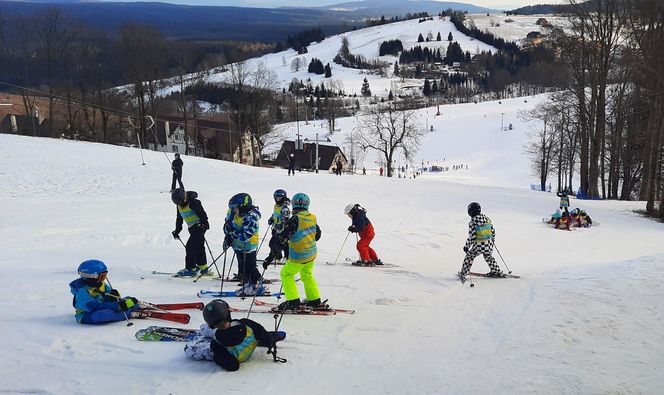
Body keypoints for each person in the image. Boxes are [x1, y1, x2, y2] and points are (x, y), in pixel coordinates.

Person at [184, 300, 286, 371]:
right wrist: (272, 338)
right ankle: (206, 329)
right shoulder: (248, 324)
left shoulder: (216, 344)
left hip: (219, 345)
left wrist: (216, 355)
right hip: (232, 337)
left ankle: (205, 330)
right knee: (219, 332)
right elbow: (264, 335)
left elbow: (232, 366)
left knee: (189, 349)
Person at [269, 193, 323, 312]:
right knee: (307, 274)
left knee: (286, 274)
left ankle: (293, 301)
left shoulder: (295, 219)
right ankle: (314, 299)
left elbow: (282, 237)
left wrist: (273, 252)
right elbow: (317, 235)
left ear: (293, 205)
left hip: (299, 255)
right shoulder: (312, 217)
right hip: (311, 254)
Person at [69, 259, 140, 324]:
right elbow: (95, 307)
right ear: (91, 276)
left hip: (103, 305)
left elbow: (109, 295)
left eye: (105, 275)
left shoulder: (100, 283)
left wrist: (113, 296)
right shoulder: (81, 292)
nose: (104, 278)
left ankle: (138, 305)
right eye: (102, 276)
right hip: (87, 314)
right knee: (103, 315)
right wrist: (118, 306)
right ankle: (130, 313)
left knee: (127, 299)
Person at [224, 193, 263, 296]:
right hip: (238, 246)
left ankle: (256, 284)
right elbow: (227, 225)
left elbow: (246, 236)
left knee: (250, 266)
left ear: (242, 206)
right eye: (231, 208)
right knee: (242, 266)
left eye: (234, 208)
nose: (233, 210)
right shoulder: (233, 214)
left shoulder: (251, 218)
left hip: (248, 246)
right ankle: (248, 284)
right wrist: (227, 236)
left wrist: (232, 234)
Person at [457, 202, 504, 282]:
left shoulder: (472, 222)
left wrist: (466, 246)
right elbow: (492, 230)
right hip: (488, 244)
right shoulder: (486, 218)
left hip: (478, 246)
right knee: (488, 257)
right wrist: (492, 241)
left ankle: (463, 273)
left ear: (470, 212)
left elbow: (472, 237)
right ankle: (496, 271)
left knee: (469, 257)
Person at [171, 188, 210, 277]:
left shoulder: (193, 202)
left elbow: (202, 214)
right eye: (177, 203)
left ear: (184, 197)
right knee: (199, 247)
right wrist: (177, 231)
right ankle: (203, 267)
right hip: (192, 228)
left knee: (190, 246)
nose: (179, 204)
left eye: (180, 202)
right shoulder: (179, 205)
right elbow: (179, 219)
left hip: (199, 227)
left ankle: (191, 268)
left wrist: (204, 224)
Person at [263, 189, 291, 266]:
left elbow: (287, 220)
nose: (277, 199)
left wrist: (282, 225)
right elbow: (275, 214)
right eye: (276, 198)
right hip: (275, 229)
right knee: (274, 243)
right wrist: (272, 219)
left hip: (282, 230)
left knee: (281, 244)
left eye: (279, 198)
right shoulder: (277, 206)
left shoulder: (284, 208)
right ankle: (278, 256)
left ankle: (286, 257)